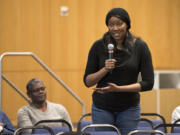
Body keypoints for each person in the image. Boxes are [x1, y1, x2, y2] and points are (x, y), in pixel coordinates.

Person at [83, 8, 154, 135]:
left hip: (129, 107)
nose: (115, 28)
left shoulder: (140, 47)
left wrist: (119, 89)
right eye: (111, 25)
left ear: (127, 25)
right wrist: (105, 69)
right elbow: (87, 81)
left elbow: (148, 83)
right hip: (102, 108)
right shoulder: (98, 46)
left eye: (119, 24)